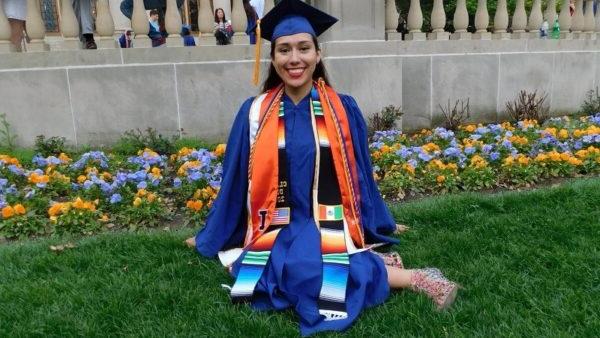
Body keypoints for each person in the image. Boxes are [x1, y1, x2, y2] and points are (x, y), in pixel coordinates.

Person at [185, 0, 458, 335]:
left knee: (306, 268)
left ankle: (417, 278)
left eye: (303, 48)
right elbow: (236, 179)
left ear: (318, 54)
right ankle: (384, 267)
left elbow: (360, 177)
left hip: (327, 219)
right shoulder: (254, 113)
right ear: (273, 59)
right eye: (284, 50)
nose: (294, 59)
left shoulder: (343, 109)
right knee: (256, 266)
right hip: (278, 222)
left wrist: (377, 222)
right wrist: (212, 235)